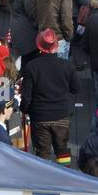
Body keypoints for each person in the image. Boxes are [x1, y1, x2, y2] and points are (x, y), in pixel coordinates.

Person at [20, 29, 81, 164]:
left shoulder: (31, 67)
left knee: (42, 154)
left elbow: (27, 96)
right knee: (62, 151)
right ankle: (64, 176)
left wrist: (24, 109)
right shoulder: (67, 66)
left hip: (40, 117)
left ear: (39, 46)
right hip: (61, 115)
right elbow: (76, 89)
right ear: (56, 46)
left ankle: (44, 181)